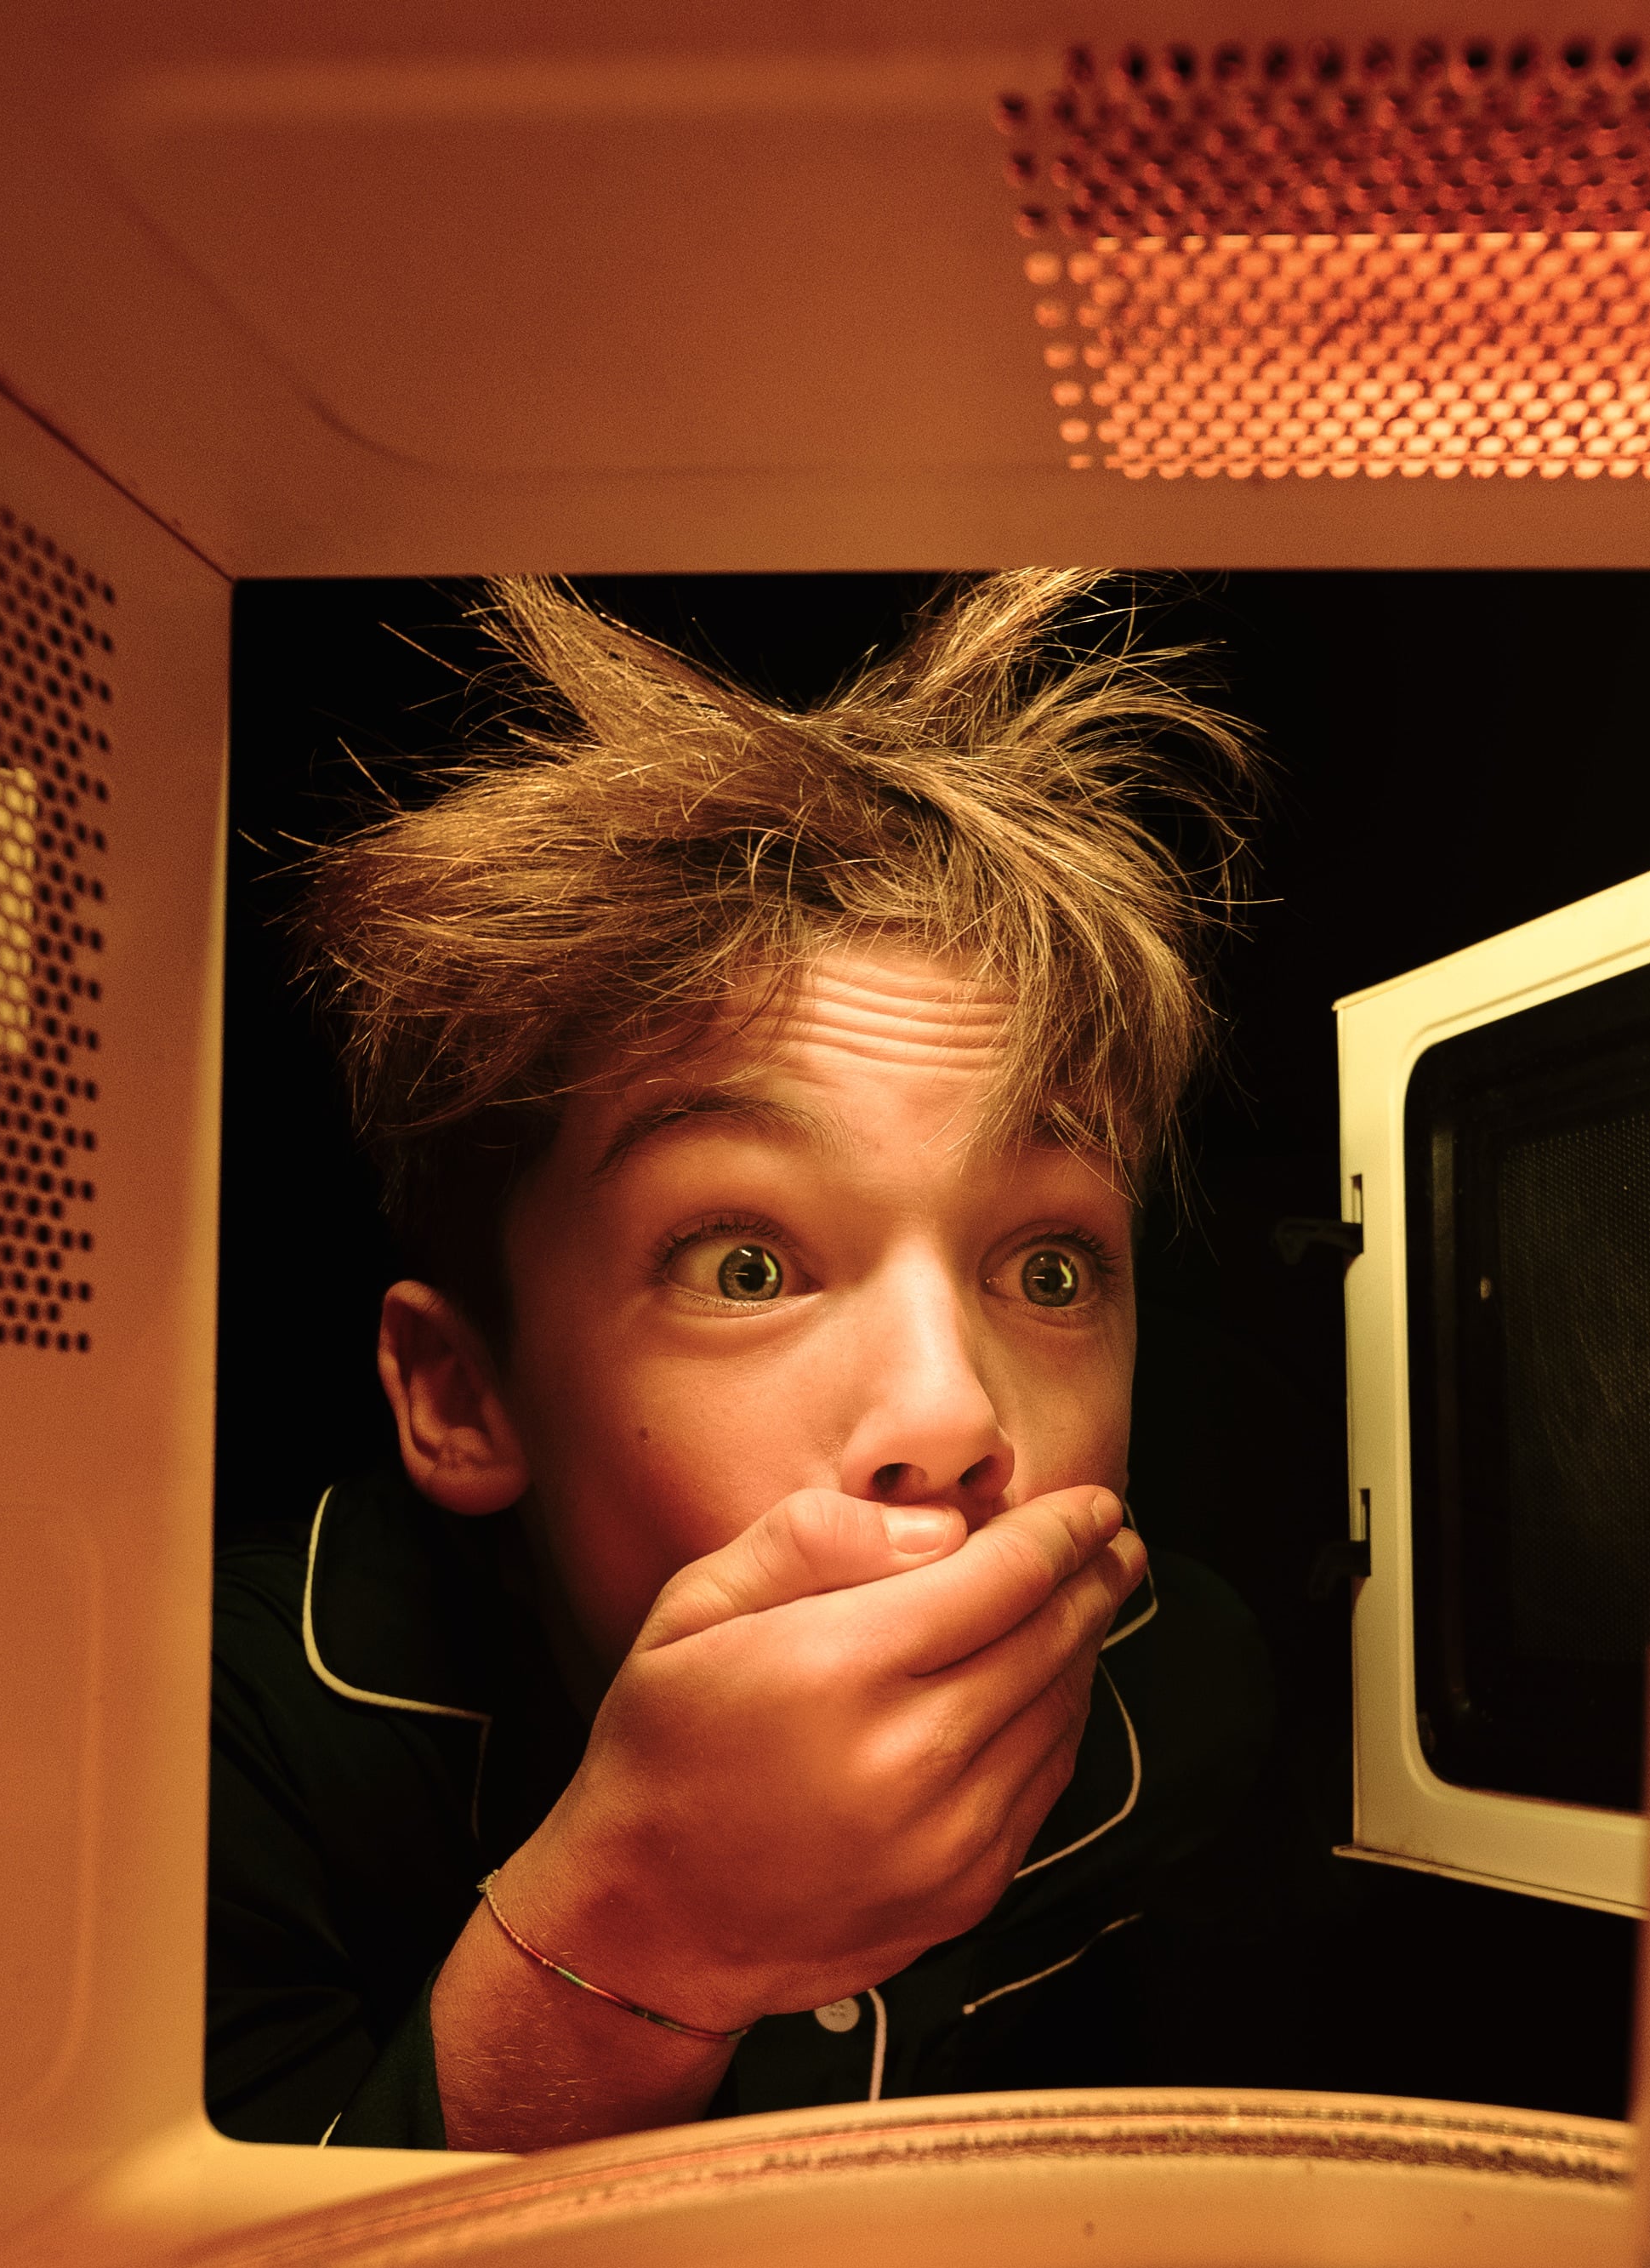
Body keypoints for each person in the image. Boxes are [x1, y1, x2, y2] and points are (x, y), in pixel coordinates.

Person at [204, 572, 1272, 2151]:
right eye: (746, 1265)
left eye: (1049, 1269)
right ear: (463, 1394)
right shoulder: (230, 1744)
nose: (951, 1414)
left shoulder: (1186, 1702)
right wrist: (648, 1939)